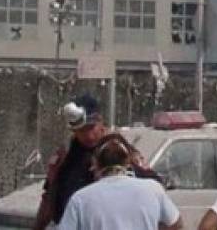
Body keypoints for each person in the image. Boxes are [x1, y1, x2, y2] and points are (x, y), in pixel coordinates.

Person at [34, 94, 158, 229]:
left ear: (100, 122)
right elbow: (49, 196)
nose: (87, 135)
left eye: (90, 128)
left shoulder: (119, 150)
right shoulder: (66, 155)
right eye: (81, 130)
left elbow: (153, 186)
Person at [58, 133, 183, 230]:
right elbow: (176, 223)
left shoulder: (80, 199)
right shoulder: (153, 189)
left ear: (96, 163)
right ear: (128, 161)